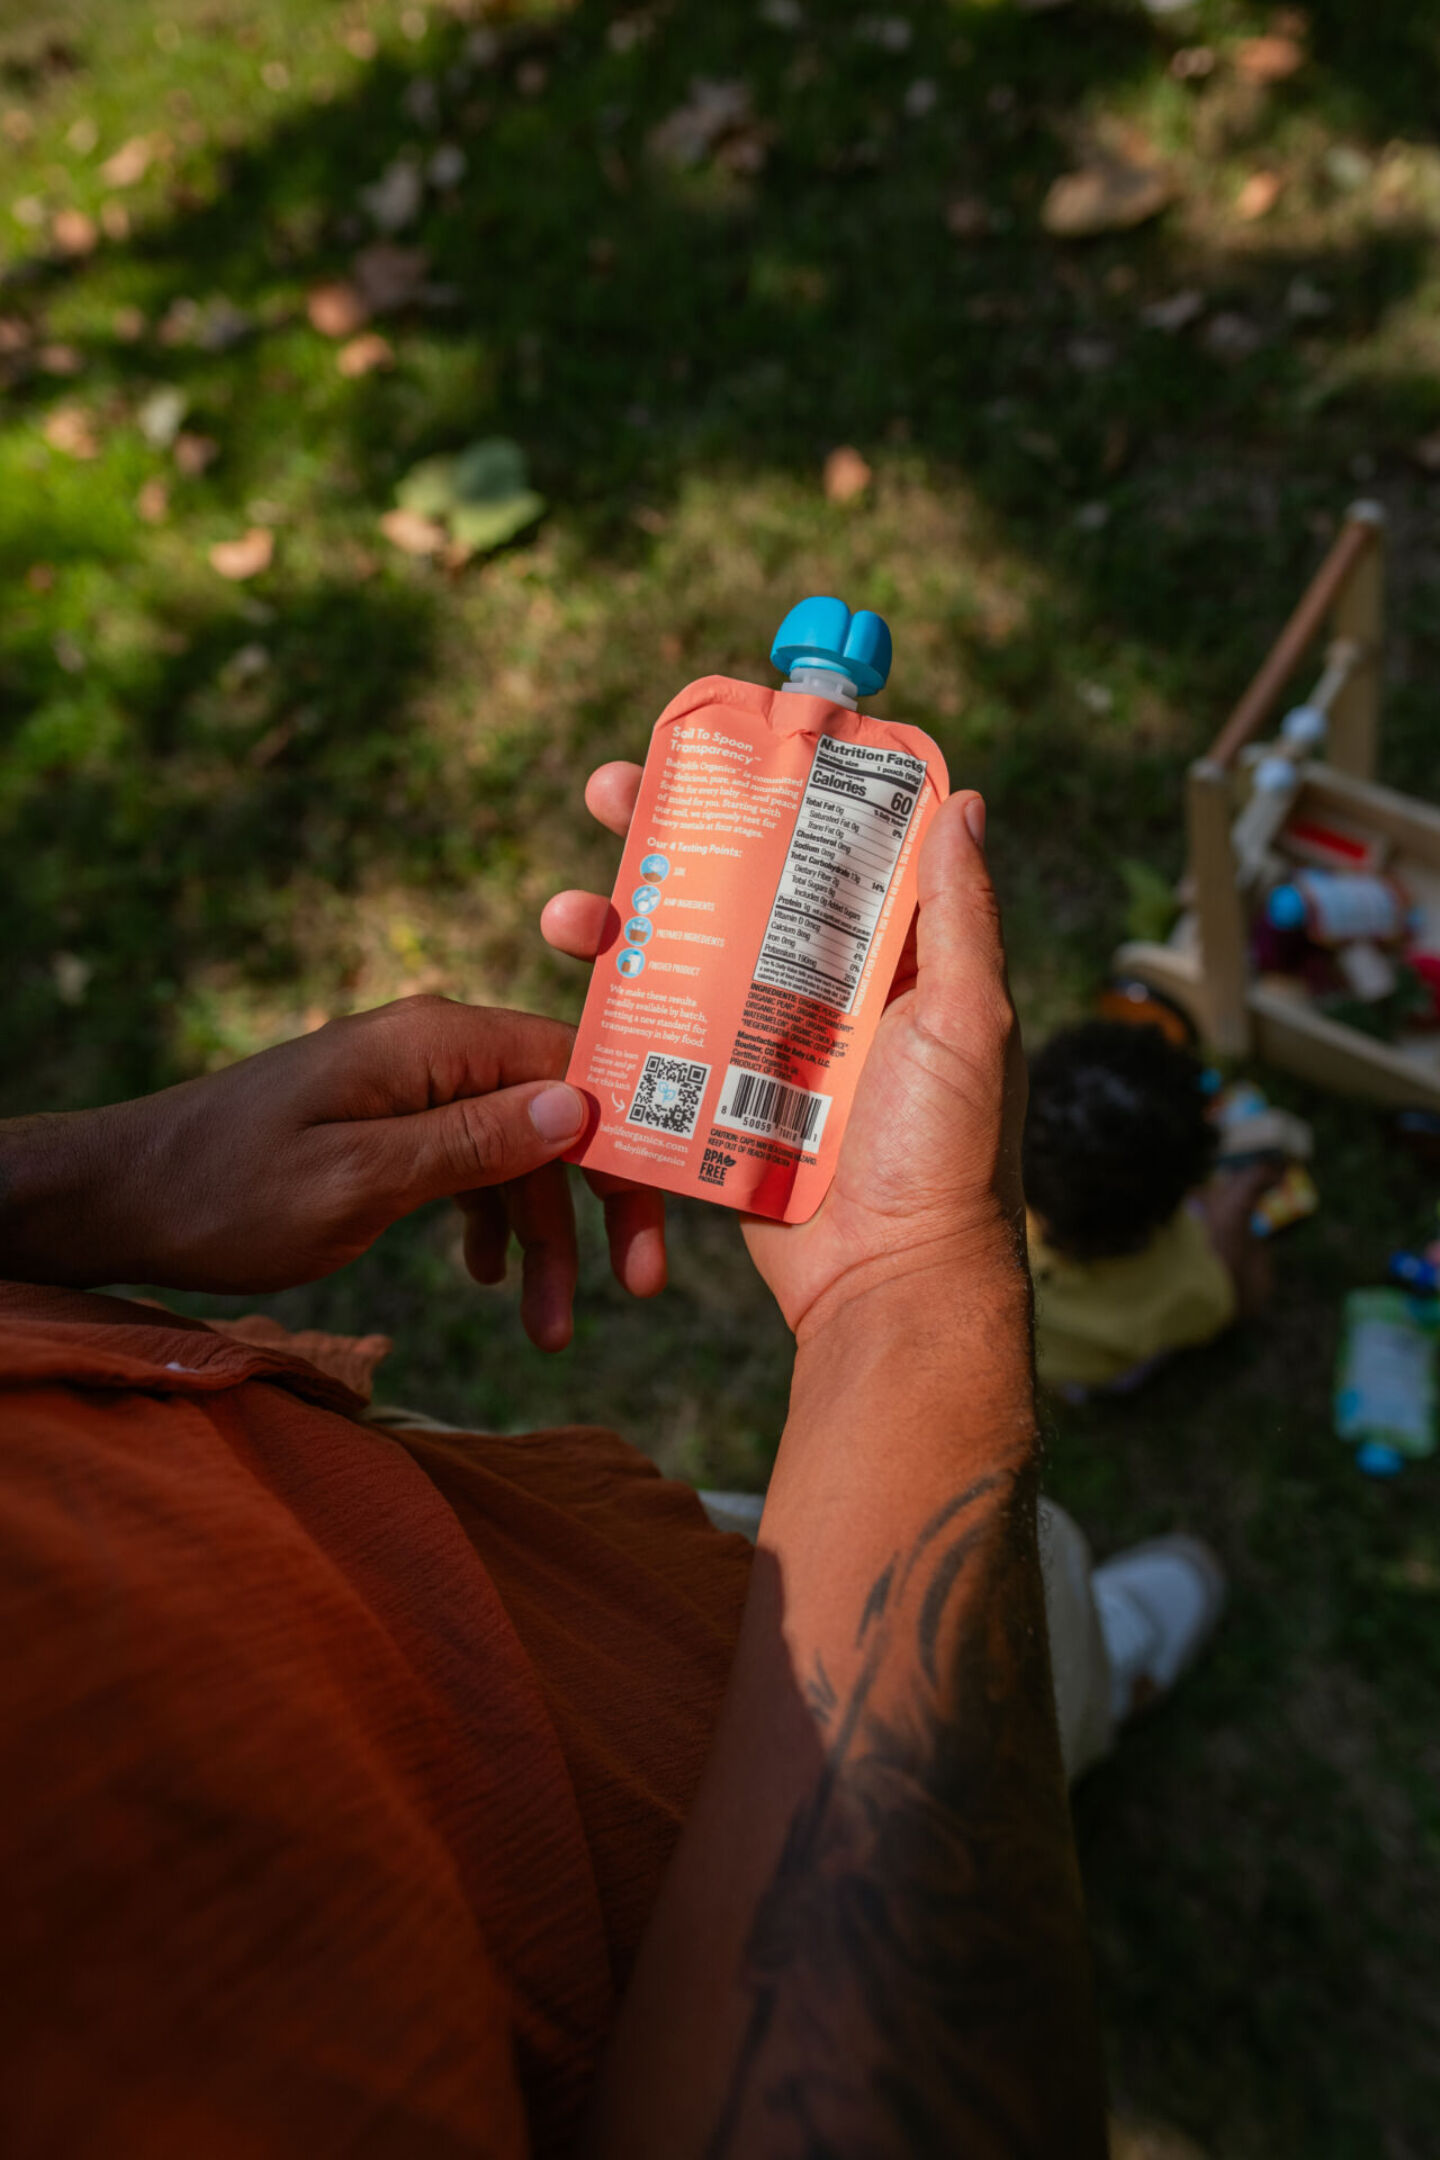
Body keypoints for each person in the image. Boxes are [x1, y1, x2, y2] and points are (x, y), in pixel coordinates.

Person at [3, 772, 1138, 2157]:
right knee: (1052, 1616)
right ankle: (1104, 1664)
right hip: (742, 1802)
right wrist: (908, 1289)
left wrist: (85, 1186)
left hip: (445, 1520)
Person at [1023, 1020, 1279, 1397]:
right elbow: (1254, 1294)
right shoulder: (1187, 1288)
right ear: (1189, 1184)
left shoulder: (955, 1202)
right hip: (1104, 1362)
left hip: (1037, 1356)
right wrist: (1236, 1213)